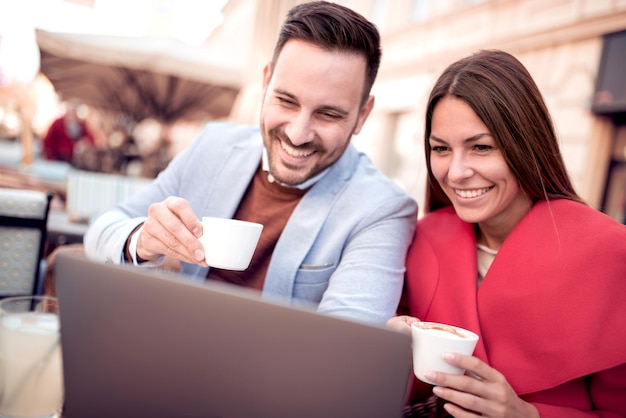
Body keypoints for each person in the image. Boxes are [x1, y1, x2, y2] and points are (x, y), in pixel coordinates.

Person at [84, 1, 418, 326]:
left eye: (328, 114)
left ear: (362, 115)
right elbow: (103, 229)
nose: (298, 134)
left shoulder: (383, 208)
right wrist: (140, 240)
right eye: (286, 101)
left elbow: (348, 343)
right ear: (266, 82)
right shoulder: (212, 145)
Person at [387, 50, 626, 417]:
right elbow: (410, 389)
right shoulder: (422, 237)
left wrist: (528, 415)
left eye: (481, 147)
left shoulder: (609, 252)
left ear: (526, 145)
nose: (456, 172)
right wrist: (391, 350)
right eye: (441, 149)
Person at [42, 100, 95, 164]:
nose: (72, 114)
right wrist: (49, 155)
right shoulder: (58, 123)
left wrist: (84, 142)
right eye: (71, 111)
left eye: (74, 112)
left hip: (73, 158)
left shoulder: (81, 124)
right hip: (58, 157)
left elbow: (91, 137)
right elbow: (48, 139)